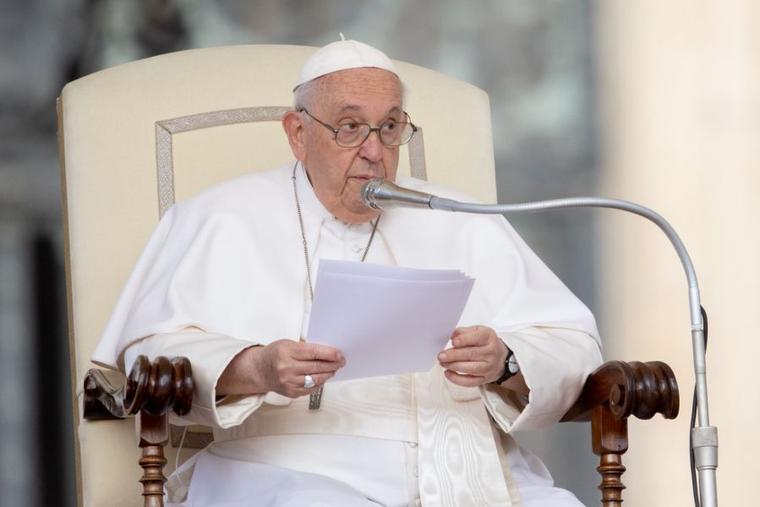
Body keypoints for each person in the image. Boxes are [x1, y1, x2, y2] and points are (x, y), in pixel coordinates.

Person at [93, 39, 602, 506]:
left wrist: (506, 361)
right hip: (291, 468)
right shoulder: (219, 217)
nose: (375, 152)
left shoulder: (461, 218)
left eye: (390, 127)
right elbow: (150, 355)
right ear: (298, 133)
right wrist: (256, 367)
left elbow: (572, 344)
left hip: (466, 466)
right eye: (350, 127)